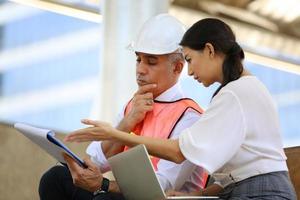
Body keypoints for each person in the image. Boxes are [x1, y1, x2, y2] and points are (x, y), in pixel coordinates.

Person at [65, 18, 297, 199]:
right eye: (139, 59)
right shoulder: (240, 91)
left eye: (189, 60)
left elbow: (178, 152)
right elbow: (237, 173)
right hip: (245, 190)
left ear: (209, 50)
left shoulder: (235, 94)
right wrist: (198, 194)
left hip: (262, 193)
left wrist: (114, 133)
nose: (189, 71)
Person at [39, 14, 208, 200]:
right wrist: (126, 124)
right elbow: (94, 161)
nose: (140, 69)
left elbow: (160, 188)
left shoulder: (191, 117)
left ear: (177, 68)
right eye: (138, 59)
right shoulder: (134, 105)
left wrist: (104, 185)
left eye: (151, 62)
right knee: (56, 178)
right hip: (124, 195)